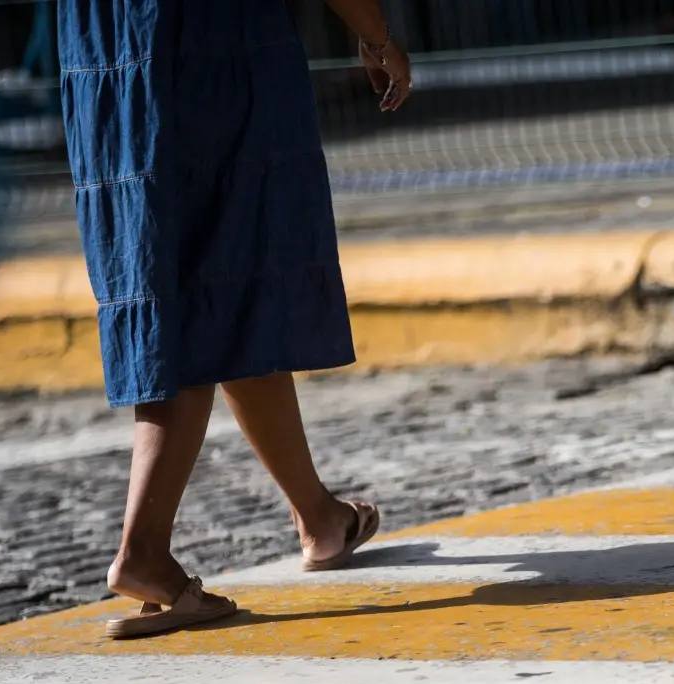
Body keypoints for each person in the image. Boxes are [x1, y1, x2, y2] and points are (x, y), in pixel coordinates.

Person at [57, 0, 413, 639]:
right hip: (213, 47)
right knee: (203, 282)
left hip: (106, 51)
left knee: (223, 282)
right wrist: (376, 34)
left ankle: (319, 518)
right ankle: (144, 552)